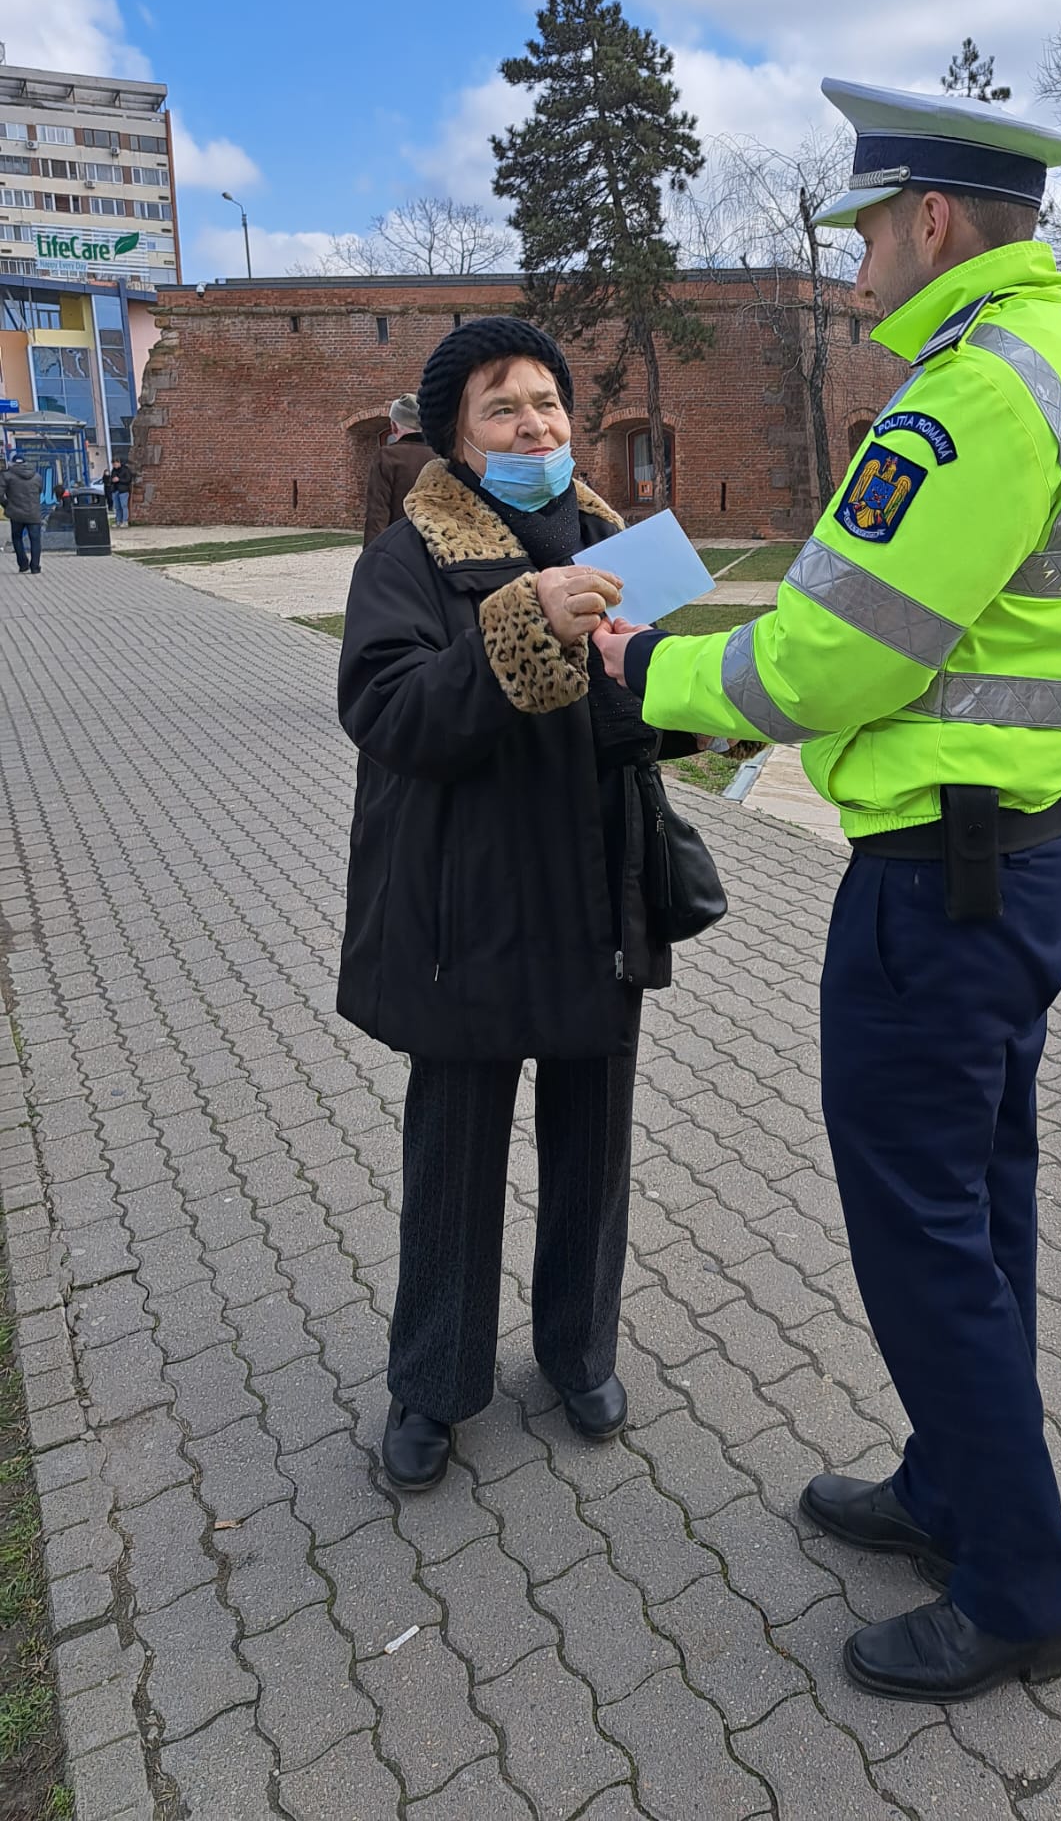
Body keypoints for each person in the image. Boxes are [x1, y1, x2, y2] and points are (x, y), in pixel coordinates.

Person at [598, 79, 1061, 1703]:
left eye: (865, 231)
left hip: (940, 891)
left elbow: (833, 655)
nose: (853, 264)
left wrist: (644, 678)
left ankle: (1021, 1585)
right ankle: (950, 1487)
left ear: (931, 220)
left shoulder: (967, 396)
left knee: (923, 1239)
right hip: (1019, 863)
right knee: (979, 1208)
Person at [336, 317, 702, 1494]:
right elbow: (390, 713)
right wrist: (522, 624)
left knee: (593, 1143)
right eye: (503, 407)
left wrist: (688, 701)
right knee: (454, 1156)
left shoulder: (614, 543)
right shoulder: (407, 558)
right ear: (459, 436)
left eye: (547, 402)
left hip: (597, 895)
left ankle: (577, 1351)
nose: (534, 424)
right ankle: (432, 1381)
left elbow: (629, 712)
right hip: (470, 908)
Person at [362, 394, 435, 547]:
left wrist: (371, 554)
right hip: (435, 545)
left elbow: (377, 513)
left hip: (398, 547)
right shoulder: (441, 456)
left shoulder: (387, 457)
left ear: (393, 426)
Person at [1, 454, 45, 575]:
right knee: (35, 540)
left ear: (12, 463)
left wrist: (7, 505)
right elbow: (40, 490)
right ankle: (35, 567)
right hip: (33, 513)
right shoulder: (37, 476)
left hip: (16, 514)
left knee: (17, 538)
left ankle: (23, 564)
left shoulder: (7, 475)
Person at [104, 456, 136, 527]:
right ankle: (118, 521)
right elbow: (110, 480)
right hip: (115, 490)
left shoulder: (125, 469)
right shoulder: (113, 470)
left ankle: (125, 521)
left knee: (124, 506)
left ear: (119, 463)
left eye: (115, 464)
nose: (114, 466)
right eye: (113, 464)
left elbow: (128, 479)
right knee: (117, 507)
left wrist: (119, 479)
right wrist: (112, 480)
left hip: (123, 490)